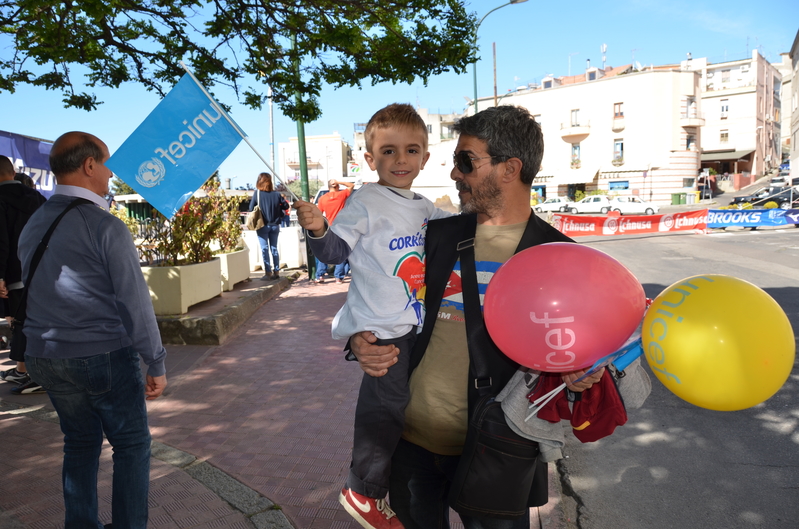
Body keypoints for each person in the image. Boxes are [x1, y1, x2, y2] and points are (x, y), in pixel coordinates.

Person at [348, 105, 605, 529]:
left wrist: (581, 371)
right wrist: (359, 338)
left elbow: (581, 351)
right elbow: (379, 291)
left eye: (466, 161)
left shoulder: (561, 257)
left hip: (497, 450)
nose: (454, 174)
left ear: (510, 168)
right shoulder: (436, 235)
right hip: (409, 445)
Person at [295, 103, 451, 529]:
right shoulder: (364, 202)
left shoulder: (423, 206)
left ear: (425, 156)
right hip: (381, 330)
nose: (400, 160)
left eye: (411, 149)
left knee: (404, 412)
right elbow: (334, 253)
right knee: (384, 411)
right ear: (369, 159)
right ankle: (363, 490)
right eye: (388, 151)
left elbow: (458, 231)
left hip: (413, 323)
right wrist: (316, 229)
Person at [19, 132, 167, 528]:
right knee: (132, 445)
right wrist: (156, 360)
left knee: (80, 443)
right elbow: (134, 302)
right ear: (89, 165)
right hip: (101, 354)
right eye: (106, 163)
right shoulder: (104, 225)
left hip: (44, 355)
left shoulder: (35, 222)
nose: (109, 172)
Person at [0, 160, 47, 393]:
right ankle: (28, 372)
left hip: (15, 274)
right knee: (39, 321)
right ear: (13, 172)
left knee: (22, 324)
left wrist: (1, 276)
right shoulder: (38, 199)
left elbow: (1, 242)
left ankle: (32, 374)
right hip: (43, 271)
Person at [249, 172, 289, 280]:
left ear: (259, 181)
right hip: (275, 225)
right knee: (274, 248)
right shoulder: (276, 194)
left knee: (264, 249)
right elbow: (286, 205)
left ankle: (268, 273)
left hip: (262, 225)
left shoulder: (257, 193)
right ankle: (276, 271)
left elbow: (251, 207)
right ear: (270, 181)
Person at [314, 179, 355, 284]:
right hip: (341, 227)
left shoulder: (322, 198)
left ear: (328, 188)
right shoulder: (342, 195)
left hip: (329, 227)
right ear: (337, 187)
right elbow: (351, 185)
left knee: (325, 252)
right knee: (340, 252)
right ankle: (338, 277)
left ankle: (320, 275)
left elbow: (319, 214)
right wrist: (339, 181)